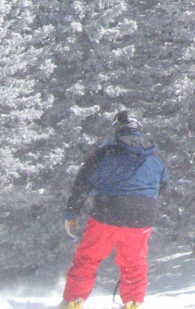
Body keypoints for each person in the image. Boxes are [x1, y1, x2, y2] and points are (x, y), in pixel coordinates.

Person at [59, 110, 169, 309]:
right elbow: (162, 184)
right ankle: (132, 303)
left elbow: (83, 183)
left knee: (89, 257)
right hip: (143, 216)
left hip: (108, 211)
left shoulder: (106, 152)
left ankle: (74, 301)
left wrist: (72, 212)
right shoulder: (154, 156)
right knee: (134, 262)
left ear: (117, 129)